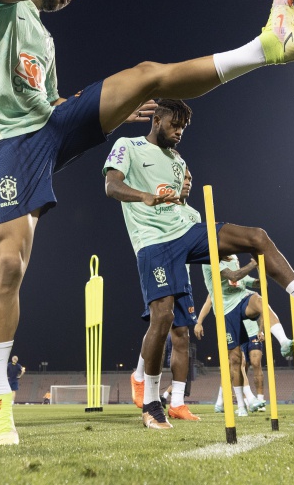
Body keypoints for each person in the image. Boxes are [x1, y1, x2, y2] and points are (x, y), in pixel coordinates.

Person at [0, 0, 294, 445]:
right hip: (7, 142)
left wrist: (113, 108)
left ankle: (264, 48)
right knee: (9, 263)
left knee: (148, 77)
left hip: (49, 128)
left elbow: (50, 101)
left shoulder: (42, 37)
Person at [128, 165, 201, 423]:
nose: (188, 181)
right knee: (160, 322)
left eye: (191, 178)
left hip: (184, 278)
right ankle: (139, 377)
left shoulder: (193, 214)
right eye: (185, 177)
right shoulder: (158, 203)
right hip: (158, 266)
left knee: (181, 336)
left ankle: (178, 402)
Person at [195, 255, 294, 417]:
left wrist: (259, 269)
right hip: (226, 310)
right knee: (236, 361)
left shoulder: (233, 259)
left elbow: (258, 284)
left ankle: (284, 341)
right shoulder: (210, 260)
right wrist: (252, 263)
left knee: (259, 300)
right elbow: (233, 276)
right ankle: (241, 405)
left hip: (242, 300)